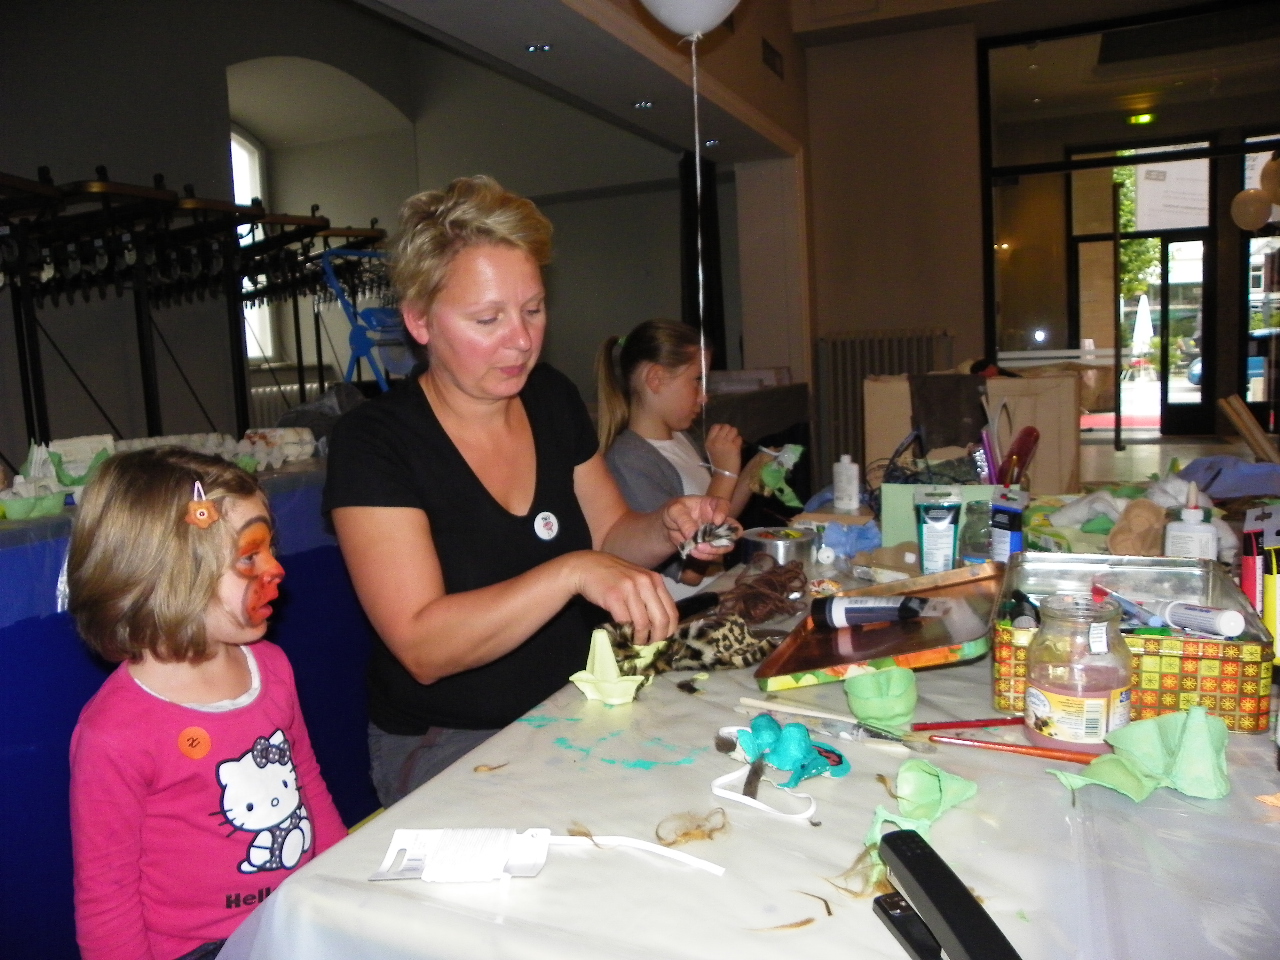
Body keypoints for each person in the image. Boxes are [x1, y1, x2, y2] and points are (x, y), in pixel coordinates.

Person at [324, 176, 732, 808]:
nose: (521, 339)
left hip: (568, 704)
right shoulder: (374, 443)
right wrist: (571, 571)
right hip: (448, 740)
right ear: (419, 320)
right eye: (488, 319)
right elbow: (423, 646)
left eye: (533, 310)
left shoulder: (550, 397)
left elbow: (609, 537)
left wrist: (667, 525)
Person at [67, 448, 345, 960]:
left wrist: (344, 885)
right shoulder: (115, 733)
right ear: (170, 575)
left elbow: (307, 785)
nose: (275, 568)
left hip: (296, 919)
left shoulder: (272, 668)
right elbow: (107, 895)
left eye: (270, 548)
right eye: (249, 556)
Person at [595, 319, 766, 595]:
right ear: (656, 379)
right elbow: (691, 571)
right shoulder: (630, 460)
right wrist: (724, 473)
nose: (704, 397)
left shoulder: (679, 438)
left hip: (713, 596)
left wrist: (751, 473)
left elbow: (717, 516)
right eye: (697, 380)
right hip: (683, 610)